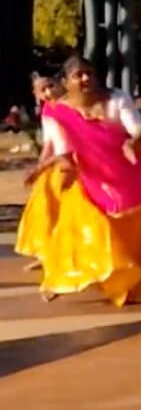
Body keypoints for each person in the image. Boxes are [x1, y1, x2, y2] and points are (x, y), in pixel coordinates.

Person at [28, 55, 141, 306]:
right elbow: (64, 152)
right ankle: (65, 279)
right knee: (85, 229)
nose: (86, 78)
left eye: (89, 73)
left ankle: (139, 279)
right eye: (78, 75)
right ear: (66, 82)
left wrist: (131, 144)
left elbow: (138, 130)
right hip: (92, 178)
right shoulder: (57, 113)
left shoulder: (116, 98)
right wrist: (55, 169)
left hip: (137, 174)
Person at [15, 74, 62, 270]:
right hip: (54, 163)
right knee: (43, 207)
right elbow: (50, 143)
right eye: (43, 90)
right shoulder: (47, 112)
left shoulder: (68, 108)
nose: (48, 92)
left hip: (70, 163)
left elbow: (67, 147)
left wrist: (43, 166)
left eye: (51, 86)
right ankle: (45, 253)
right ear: (36, 94)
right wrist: (40, 166)